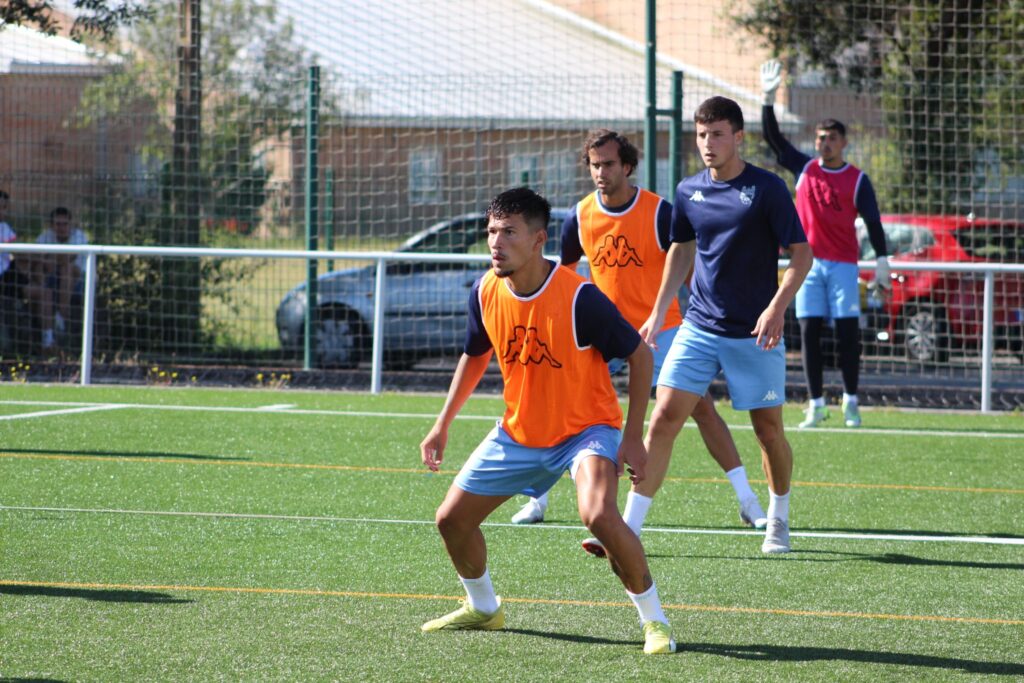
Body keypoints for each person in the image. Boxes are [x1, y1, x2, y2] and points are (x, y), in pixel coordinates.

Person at [419, 187, 676, 654]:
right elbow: (474, 356)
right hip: (519, 433)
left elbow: (640, 357)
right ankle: (484, 608)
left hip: (586, 431)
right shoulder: (484, 290)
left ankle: (655, 622)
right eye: (491, 231)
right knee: (451, 520)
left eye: (509, 232)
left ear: (539, 240)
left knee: (598, 515)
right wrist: (442, 423)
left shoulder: (581, 298)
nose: (496, 242)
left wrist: (632, 437)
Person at [510, 129, 768, 546]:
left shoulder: (660, 212)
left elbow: (688, 267)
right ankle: (537, 499)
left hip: (661, 328)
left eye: (609, 164)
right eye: (594, 164)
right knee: (563, 406)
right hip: (603, 333)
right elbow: (562, 276)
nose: (600, 172)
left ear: (627, 166)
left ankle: (747, 500)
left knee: (701, 409)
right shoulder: (579, 216)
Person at [634, 96, 812, 555]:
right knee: (664, 419)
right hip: (699, 325)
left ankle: (779, 518)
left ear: (738, 137)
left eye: (716, 134)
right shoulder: (688, 190)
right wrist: (659, 310)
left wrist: (776, 308)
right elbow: (681, 249)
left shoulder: (768, 189)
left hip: (755, 332)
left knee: (768, 433)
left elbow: (801, 254)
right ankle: (627, 526)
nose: (707, 144)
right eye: (701, 135)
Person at [760, 59, 891, 429]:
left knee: (849, 334)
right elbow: (773, 140)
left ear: (844, 143)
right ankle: (816, 403)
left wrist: (882, 260)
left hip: (845, 264)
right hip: (808, 267)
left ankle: (851, 401)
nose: (825, 142)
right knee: (808, 334)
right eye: (820, 137)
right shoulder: (805, 169)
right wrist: (768, 99)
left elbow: (874, 222)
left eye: (832, 137)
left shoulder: (857, 179)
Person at [26, 206, 88, 349]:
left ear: (70, 224)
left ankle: (61, 317)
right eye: (58, 224)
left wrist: (50, 259)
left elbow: (68, 258)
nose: (61, 228)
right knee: (38, 269)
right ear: (51, 225)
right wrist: (49, 261)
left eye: (65, 224)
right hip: (51, 279)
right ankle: (47, 338)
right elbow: (36, 259)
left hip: (78, 281)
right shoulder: (45, 236)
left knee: (67, 270)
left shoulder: (79, 236)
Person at [0, 191, 28, 304]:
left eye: (4, 207)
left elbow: (19, 251)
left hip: (7, 273)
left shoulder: (4, 227)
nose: (2, 211)